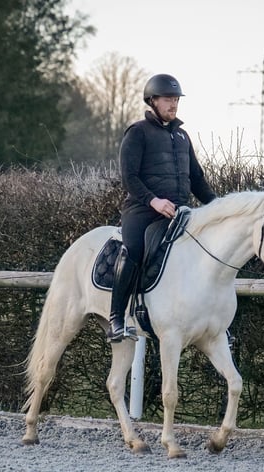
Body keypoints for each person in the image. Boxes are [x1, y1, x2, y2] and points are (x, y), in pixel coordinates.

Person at [107, 73, 217, 342]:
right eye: (168, 99)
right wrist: (153, 200)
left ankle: (215, 323)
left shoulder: (182, 136)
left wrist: (219, 208)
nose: (173, 104)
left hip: (180, 213)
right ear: (152, 100)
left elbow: (198, 180)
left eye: (176, 99)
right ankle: (116, 318)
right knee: (132, 250)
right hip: (142, 211)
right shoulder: (137, 133)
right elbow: (129, 178)